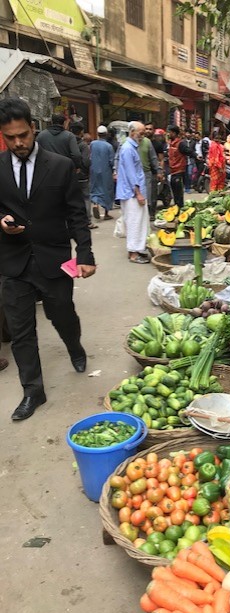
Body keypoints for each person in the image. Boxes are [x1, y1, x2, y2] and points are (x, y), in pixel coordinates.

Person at [0, 97, 96, 421]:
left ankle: (75, 346)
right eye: (10, 137)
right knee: (21, 330)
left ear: (33, 128)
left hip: (53, 259)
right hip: (12, 262)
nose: (18, 143)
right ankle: (33, 391)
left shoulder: (60, 165)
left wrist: (85, 254)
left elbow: (76, 215)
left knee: (63, 316)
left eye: (23, 135)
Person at [115, 121, 150, 264]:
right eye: (141, 133)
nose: (142, 136)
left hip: (132, 192)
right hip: (132, 193)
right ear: (132, 132)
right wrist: (138, 193)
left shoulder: (130, 147)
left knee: (137, 222)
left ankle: (136, 250)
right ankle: (134, 254)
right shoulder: (128, 149)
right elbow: (131, 173)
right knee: (135, 222)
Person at [70, 123, 97, 230]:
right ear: (81, 132)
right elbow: (86, 161)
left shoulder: (68, 142)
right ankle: (87, 221)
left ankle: (74, 221)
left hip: (70, 175)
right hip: (82, 176)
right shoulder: (83, 145)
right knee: (85, 198)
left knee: (72, 199)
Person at [90, 125, 115, 221]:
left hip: (94, 170)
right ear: (106, 134)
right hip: (106, 171)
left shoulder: (93, 144)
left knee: (95, 188)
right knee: (107, 190)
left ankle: (95, 204)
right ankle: (106, 213)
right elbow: (111, 161)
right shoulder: (109, 146)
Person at [167, 125, 192, 208]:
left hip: (179, 171)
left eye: (169, 132)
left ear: (174, 133)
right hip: (172, 171)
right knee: (174, 193)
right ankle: (176, 209)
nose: (168, 134)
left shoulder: (180, 143)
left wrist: (196, 155)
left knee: (178, 193)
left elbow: (188, 151)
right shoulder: (170, 143)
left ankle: (180, 210)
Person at [140, 122, 161, 221]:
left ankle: (151, 213)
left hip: (152, 173)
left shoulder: (157, 143)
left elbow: (159, 159)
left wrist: (160, 171)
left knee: (152, 194)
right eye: (146, 129)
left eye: (150, 129)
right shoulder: (138, 142)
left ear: (153, 131)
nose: (148, 131)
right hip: (141, 173)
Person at [183, 129, 196, 193]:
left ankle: (188, 186)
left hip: (191, 160)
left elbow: (194, 151)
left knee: (190, 173)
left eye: (189, 133)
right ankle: (186, 187)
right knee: (185, 174)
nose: (188, 134)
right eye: (187, 133)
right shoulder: (182, 142)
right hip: (184, 160)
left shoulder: (193, 142)